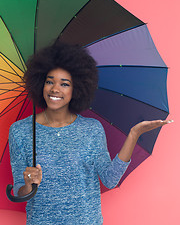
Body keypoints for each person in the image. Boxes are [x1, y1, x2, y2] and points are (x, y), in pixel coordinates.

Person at [9, 41, 173, 225]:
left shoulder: (91, 129)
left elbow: (109, 179)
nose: (55, 89)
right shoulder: (20, 131)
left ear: (76, 88)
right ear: (39, 83)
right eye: (49, 81)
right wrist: (29, 185)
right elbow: (18, 193)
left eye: (64, 84)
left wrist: (134, 134)